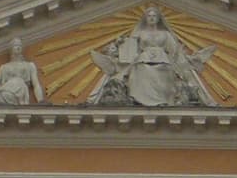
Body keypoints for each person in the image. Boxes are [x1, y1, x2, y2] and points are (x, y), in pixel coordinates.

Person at [88, 6, 216, 106]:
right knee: (140, 70)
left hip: (164, 61)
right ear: (146, 18)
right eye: (149, 16)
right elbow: (131, 49)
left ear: (158, 18)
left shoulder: (165, 34)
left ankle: (164, 100)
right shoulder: (140, 34)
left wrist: (184, 62)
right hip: (142, 60)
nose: (151, 18)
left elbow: (174, 51)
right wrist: (119, 46)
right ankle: (140, 98)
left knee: (166, 70)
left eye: (154, 16)